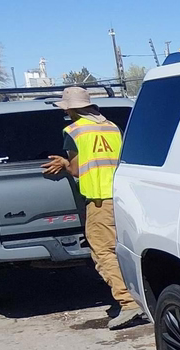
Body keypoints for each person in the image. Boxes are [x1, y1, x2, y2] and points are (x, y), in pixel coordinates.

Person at [41, 86, 143, 329]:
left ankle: (128, 303)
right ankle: (144, 298)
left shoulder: (74, 130)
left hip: (99, 199)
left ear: (71, 109)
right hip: (122, 197)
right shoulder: (112, 127)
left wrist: (64, 162)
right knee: (127, 251)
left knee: (103, 252)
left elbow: (76, 169)